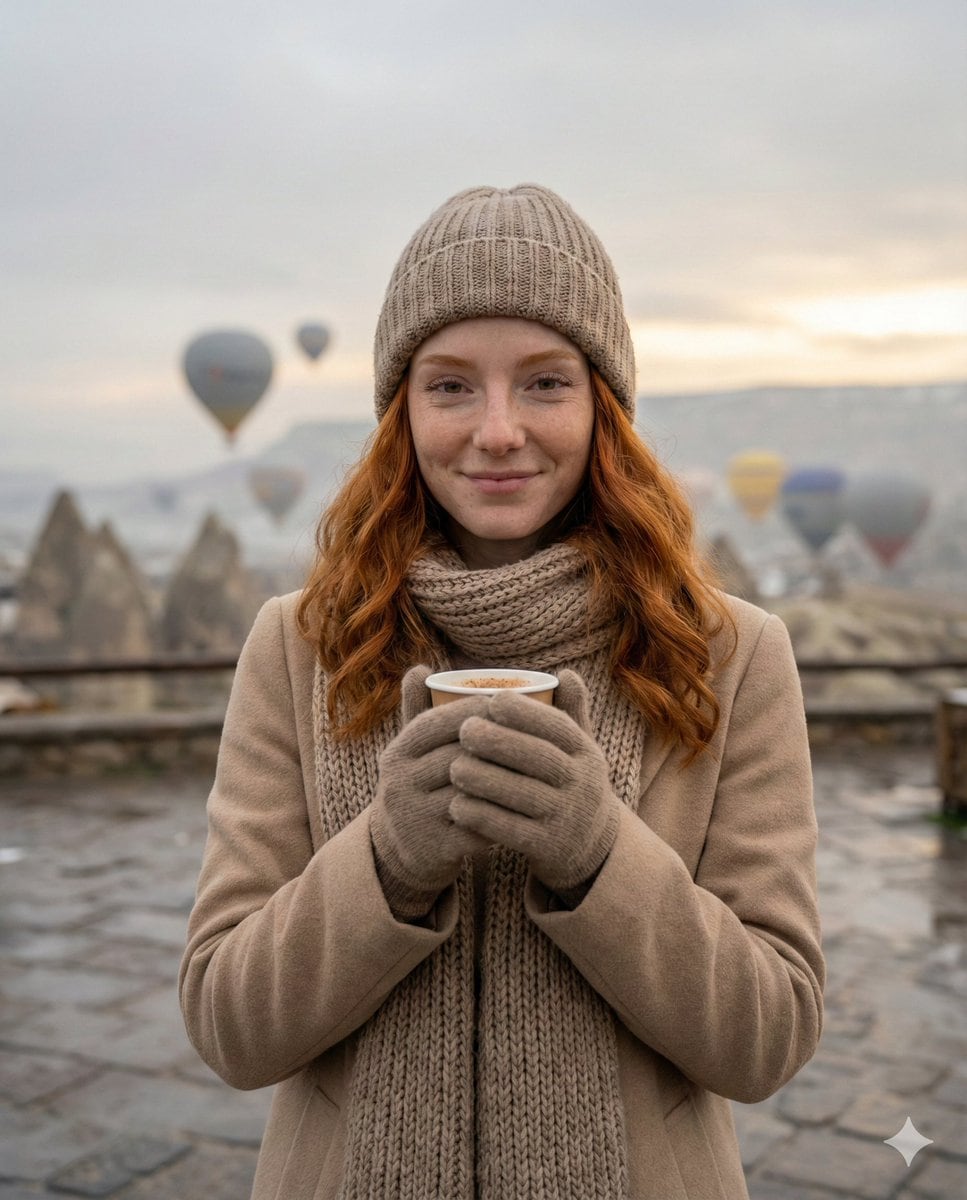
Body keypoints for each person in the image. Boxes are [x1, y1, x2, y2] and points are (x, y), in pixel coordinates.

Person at [179, 184, 824, 1200]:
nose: (496, 431)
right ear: (400, 411)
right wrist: (387, 859)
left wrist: (598, 855)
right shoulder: (297, 647)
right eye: (448, 387)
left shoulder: (731, 653)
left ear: (602, 405)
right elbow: (227, 1024)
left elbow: (770, 1036)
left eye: (543, 383)